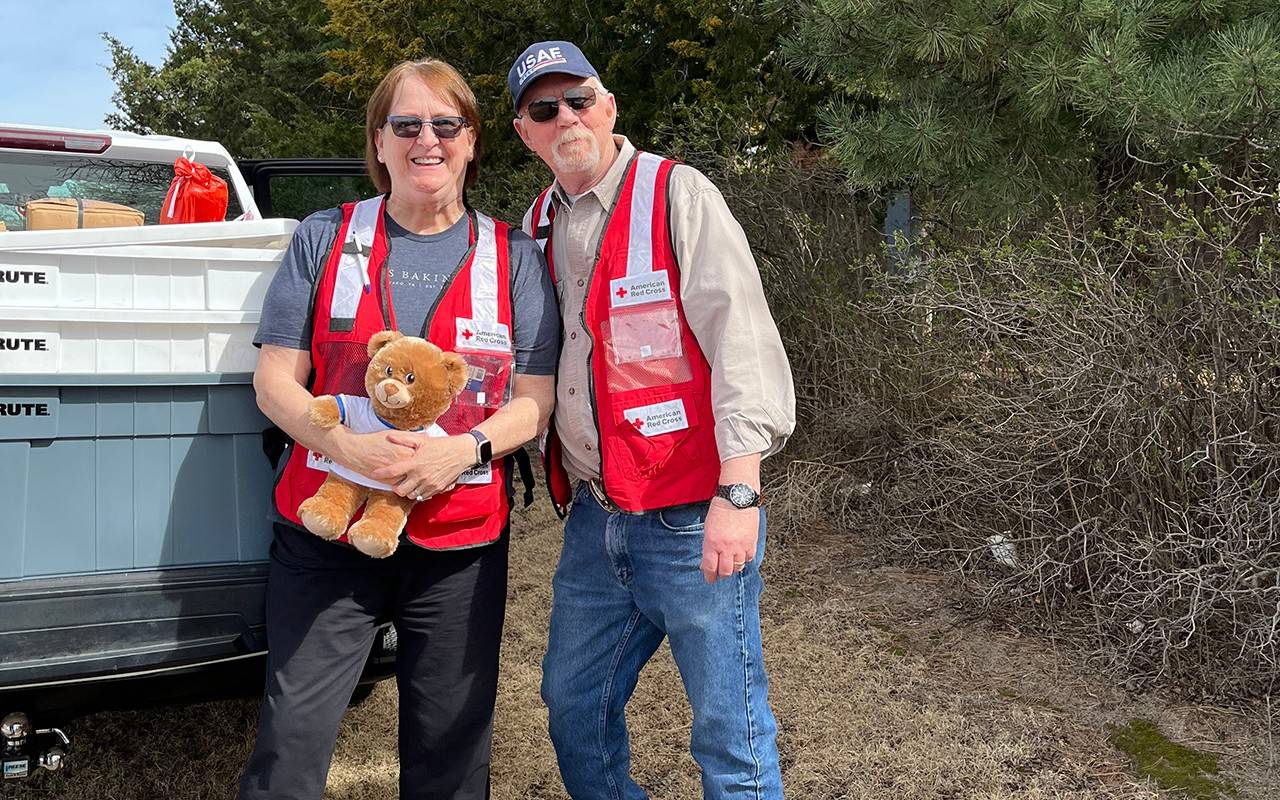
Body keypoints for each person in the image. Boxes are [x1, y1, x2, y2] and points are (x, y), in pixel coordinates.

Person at [239, 57, 559, 800]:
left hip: (459, 541)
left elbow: (534, 400)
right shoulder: (325, 237)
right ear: (378, 142)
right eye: (406, 124)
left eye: (446, 124)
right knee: (291, 742)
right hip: (325, 534)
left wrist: (465, 449)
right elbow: (273, 380)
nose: (427, 140)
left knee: (451, 746)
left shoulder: (514, 257)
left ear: (472, 141)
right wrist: (340, 443)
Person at [508, 41, 796, 799]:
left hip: (692, 518)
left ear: (609, 107)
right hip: (596, 519)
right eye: (545, 109)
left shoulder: (677, 194)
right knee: (573, 707)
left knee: (729, 733)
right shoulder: (533, 225)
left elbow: (742, 340)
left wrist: (739, 493)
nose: (565, 117)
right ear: (524, 132)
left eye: (579, 100)